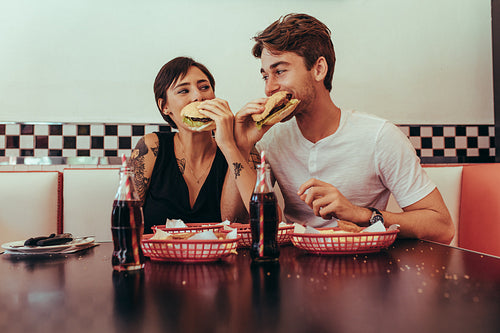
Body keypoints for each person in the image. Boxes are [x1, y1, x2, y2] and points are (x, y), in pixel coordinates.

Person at [234, 13, 455, 244]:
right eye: (265, 76)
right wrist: (238, 147)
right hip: (292, 266)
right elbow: (251, 219)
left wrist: (361, 214)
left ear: (319, 69)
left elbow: (442, 226)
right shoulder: (271, 140)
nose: (269, 88)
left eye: (279, 72)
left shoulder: (380, 137)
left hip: (365, 268)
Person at [130, 57, 249, 233]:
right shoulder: (151, 147)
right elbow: (126, 217)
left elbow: (236, 222)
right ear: (164, 107)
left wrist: (230, 145)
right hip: (156, 258)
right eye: (183, 91)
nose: (198, 96)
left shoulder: (239, 148)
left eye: (204, 87)